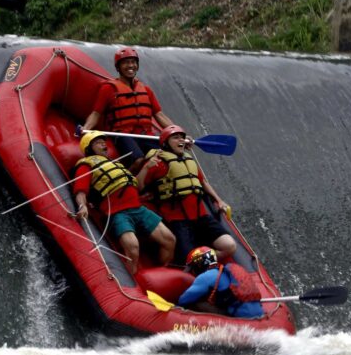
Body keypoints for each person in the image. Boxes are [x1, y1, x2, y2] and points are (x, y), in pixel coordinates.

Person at [73, 131, 175, 274]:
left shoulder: (116, 164)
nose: (103, 144)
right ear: (89, 149)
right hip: (117, 213)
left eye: (104, 141)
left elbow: (138, 186)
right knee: (133, 247)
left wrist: (146, 167)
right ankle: (132, 281)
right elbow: (80, 190)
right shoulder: (86, 165)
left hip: (138, 209)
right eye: (98, 142)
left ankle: (163, 273)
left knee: (170, 240)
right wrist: (82, 205)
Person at [138, 124, 238, 264]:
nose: (180, 140)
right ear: (165, 143)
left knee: (229, 246)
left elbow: (204, 183)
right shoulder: (158, 163)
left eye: (182, 138)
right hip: (178, 222)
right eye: (175, 138)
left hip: (201, 217)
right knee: (186, 258)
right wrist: (146, 168)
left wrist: (219, 200)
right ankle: (196, 263)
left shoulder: (189, 160)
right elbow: (139, 186)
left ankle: (200, 261)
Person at [80, 47, 176, 169]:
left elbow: (159, 115)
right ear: (118, 67)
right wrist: (85, 129)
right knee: (138, 160)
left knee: (169, 158)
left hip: (145, 135)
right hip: (122, 136)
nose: (130, 65)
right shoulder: (108, 89)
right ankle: (130, 181)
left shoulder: (146, 90)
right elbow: (96, 114)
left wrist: (176, 132)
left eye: (133, 62)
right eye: (126, 62)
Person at [176, 246, 264, 318]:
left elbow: (184, 300)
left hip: (240, 317)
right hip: (258, 313)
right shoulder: (225, 271)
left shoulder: (206, 277)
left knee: (196, 304)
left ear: (199, 264)